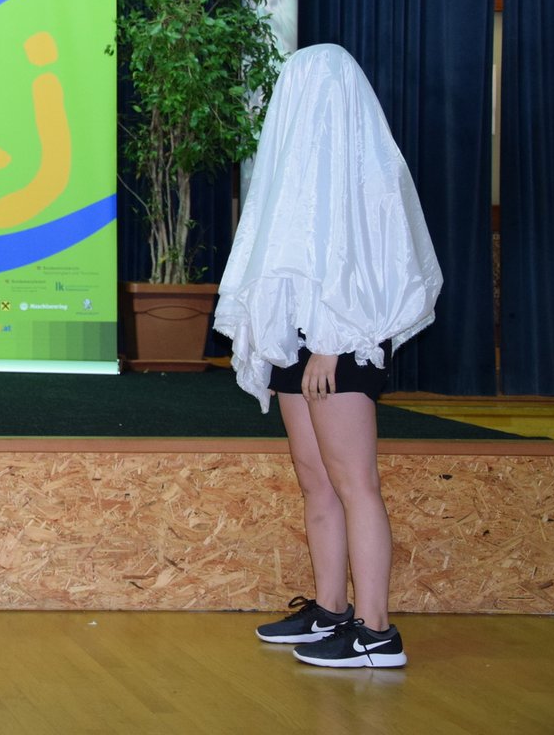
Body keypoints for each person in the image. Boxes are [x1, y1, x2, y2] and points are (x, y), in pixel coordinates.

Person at [215, 44, 442, 669]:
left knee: (353, 482)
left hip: (343, 343)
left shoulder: (366, 171)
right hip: (299, 340)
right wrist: (275, 342)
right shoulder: (297, 170)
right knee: (315, 478)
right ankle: (330, 609)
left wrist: (331, 344)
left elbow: (369, 266)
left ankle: (376, 632)